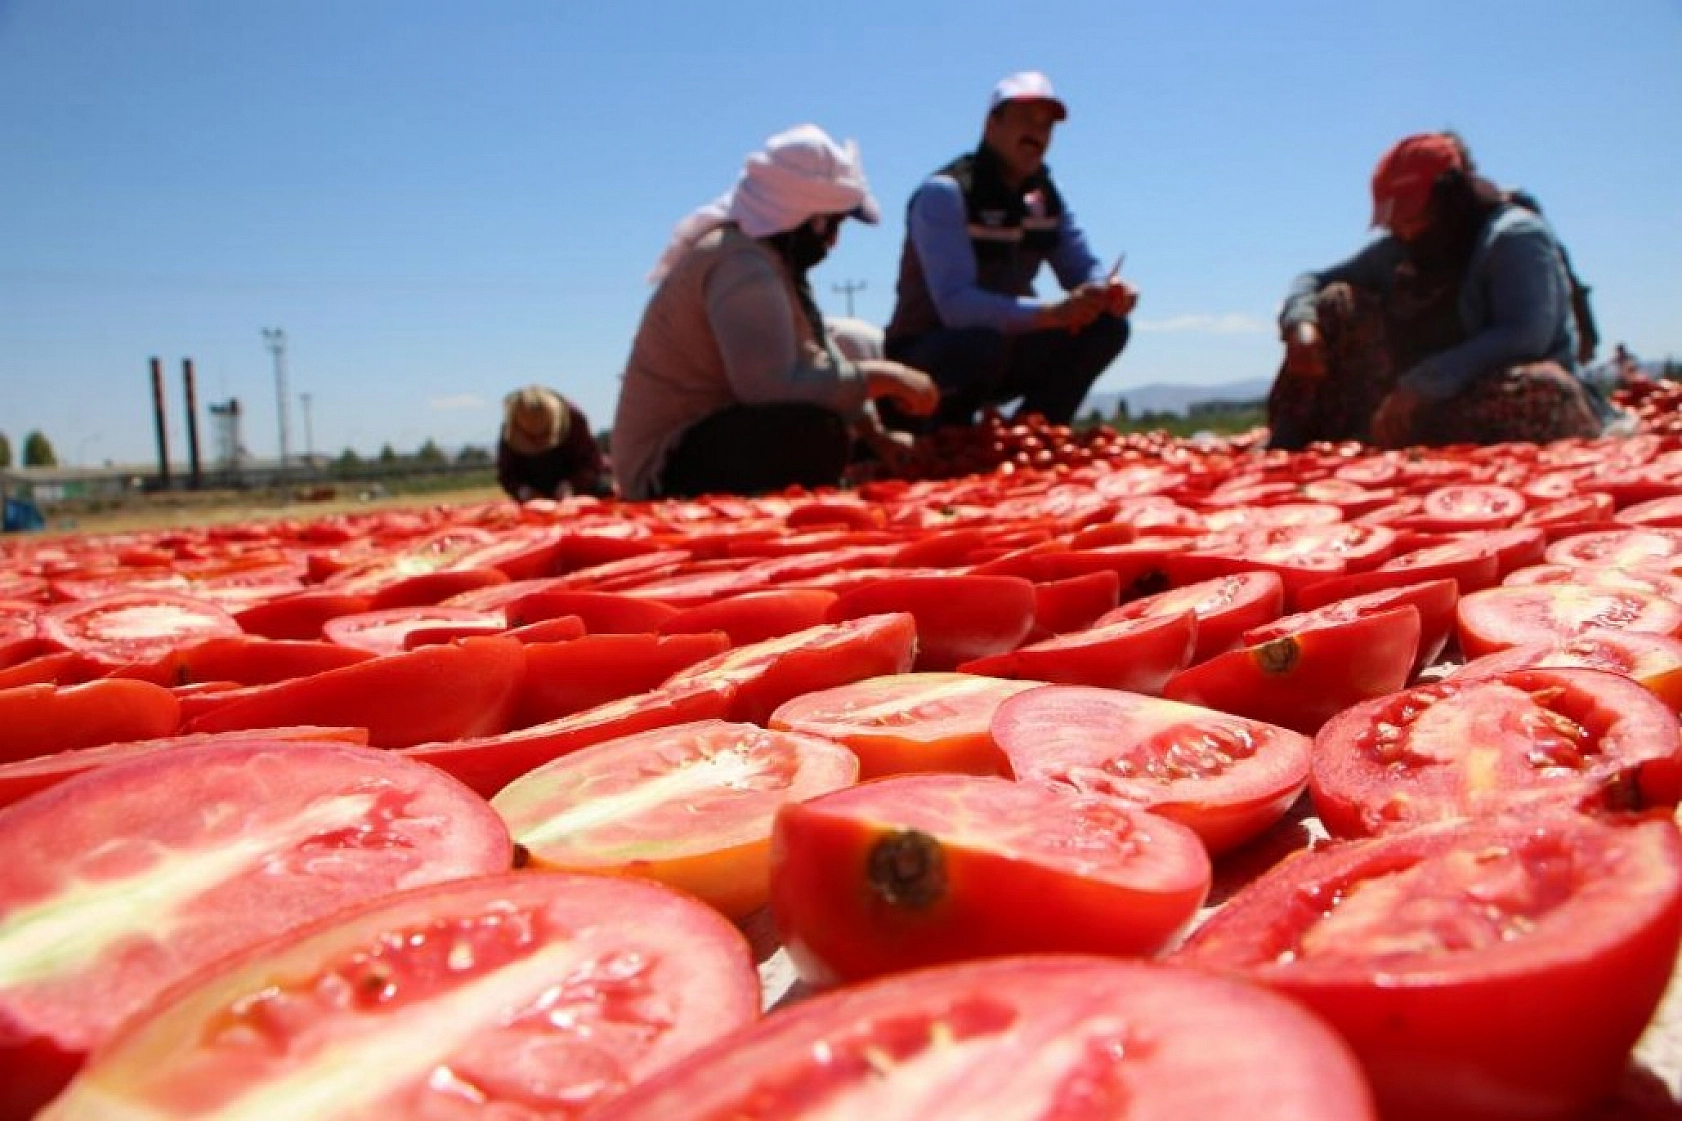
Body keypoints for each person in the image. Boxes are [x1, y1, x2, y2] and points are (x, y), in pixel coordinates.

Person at [611, 125, 938, 501]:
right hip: (663, 463)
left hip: (703, 437)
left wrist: (874, 435)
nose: (833, 241)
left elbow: (815, 358)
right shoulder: (740, 263)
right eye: (832, 224)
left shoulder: (768, 261)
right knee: (811, 434)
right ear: (807, 218)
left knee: (824, 425)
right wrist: (884, 376)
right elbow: (771, 387)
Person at [1268, 132, 1620, 450]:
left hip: (1479, 388)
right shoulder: (1400, 248)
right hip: (1417, 398)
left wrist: (1422, 384)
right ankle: (1297, 439)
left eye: (1412, 218)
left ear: (1449, 200)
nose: (1403, 232)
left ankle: (1392, 434)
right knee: (1334, 302)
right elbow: (1314, 280)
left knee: (1544, 393)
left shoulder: (1514, 237)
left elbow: (1526, 334)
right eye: (1396, 224)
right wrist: (1301, 325)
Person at [883, 70, 1138, 431]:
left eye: (1047, 124)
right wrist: (1053, 313)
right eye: (1026, 118)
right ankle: (945, 437)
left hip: (1001, 348)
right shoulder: (946, 193)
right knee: (978, 345)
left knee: (1107, 327)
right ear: (992, 124)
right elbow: (956, 307)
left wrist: (1109, 292)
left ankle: (1038, 435)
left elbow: (1082, 267)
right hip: (929, 354)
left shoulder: (1045, 197)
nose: (1038, 132)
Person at [496, 384, 611, 502]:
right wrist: (523, 491)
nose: (538, 439)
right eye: (530, 435)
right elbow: (507, 474)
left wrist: (572, 485)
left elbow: (592, 463)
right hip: (534, 491)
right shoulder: (509, 430)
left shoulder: (575, 419)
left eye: (544, 432)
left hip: (577, 485)